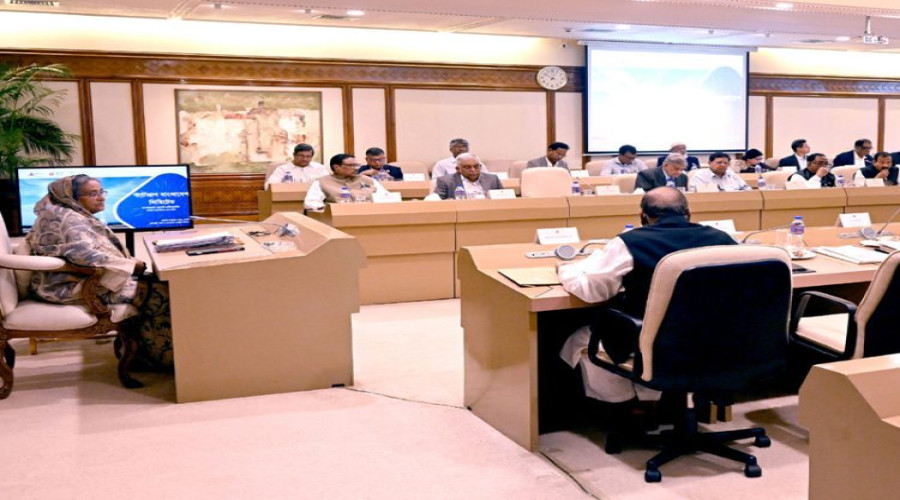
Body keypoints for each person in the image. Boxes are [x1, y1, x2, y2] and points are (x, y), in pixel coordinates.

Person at [557, 187, 737, 403]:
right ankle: (659, 401)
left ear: (642, 216)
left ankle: (626, 405)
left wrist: (565, 270)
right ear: (688, 213)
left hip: (651, 341)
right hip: (714, 339)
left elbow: (592, 292)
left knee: (579, 339)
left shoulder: (630, 242)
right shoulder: (722, 239)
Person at [26, 175, 173, 369]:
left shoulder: (61, 212)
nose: (101, 197)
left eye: (101, 192)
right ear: (72, 197)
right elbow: (86, 256)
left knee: (153, 283)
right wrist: (131, 265)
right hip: (66, 286)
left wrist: (128, 264)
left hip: (72, 279)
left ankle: (145, 352)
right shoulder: (68, 219)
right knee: (160, 293)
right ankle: (161, 358)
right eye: (92, 194)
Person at [304, 153, 391, 210]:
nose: (356, 168)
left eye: (357, 165)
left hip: (369, 214)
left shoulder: (368, 180)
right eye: (351, 165)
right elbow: (311, 203)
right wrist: (330, 210)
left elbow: (387, 198)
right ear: (336, 167)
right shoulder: (322, 181)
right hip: (338, 218)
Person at [434, 153, 503, 200]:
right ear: (458, 169)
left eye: (476, 166)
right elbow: (438, 202)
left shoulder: (492, 179)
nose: (473, 170)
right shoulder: (445, 181)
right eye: (467, 167)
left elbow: (504, 198)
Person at [264, 143, 328, 189]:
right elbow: (268, 186)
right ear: (294, 155)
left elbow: (329, 184)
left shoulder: (319, 168)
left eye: (308, 156)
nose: (305, 159)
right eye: (301, 156)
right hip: (289, 200)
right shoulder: (282, 169)